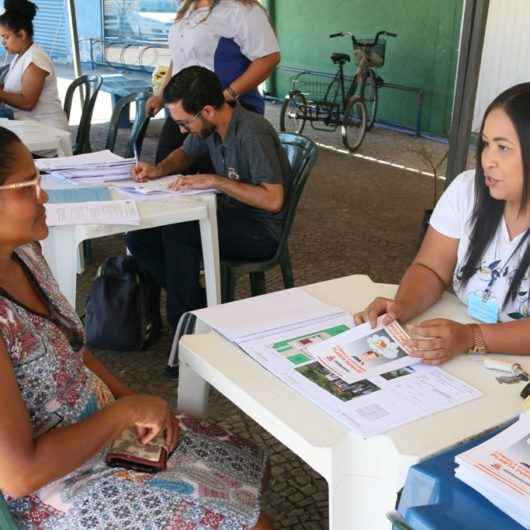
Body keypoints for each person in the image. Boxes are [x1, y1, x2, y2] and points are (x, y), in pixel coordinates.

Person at [0, 128, 273, 529]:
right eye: (28, 186)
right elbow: (19, 475)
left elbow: (74, 350)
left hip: (100, 432)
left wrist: (136, 400)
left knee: (246, 459)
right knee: (250, 524)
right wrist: (124, 412)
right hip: (58, 488)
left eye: (39, 179)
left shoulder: (23, 254)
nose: (43, 195)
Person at [355, 82, 530, 362]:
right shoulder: (467, 190)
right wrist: (401, 307)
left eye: (503, 147)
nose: (488, 160)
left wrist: (472, 337)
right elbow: (431, 268)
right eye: (486, 144)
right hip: (465, 351)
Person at [127, 65, 291, 331]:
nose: (182, 131)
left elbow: (273, 200)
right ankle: (203, 308)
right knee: (139, 236)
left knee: (180, 231)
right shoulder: (210, 127)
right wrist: (158, 169)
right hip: (231, 214)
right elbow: (185, 154)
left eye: (185, 123)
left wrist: (216, 180)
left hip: (261, 232)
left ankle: (187, 327)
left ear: (207, 111)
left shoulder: (251, 132)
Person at [147, 0, 280, 164]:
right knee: (163, 170)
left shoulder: (241, 10)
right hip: (184, 110)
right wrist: (161, 95)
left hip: (222, 112)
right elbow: (179, 57)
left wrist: (225, 97)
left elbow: (268, 59)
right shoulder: (186, 8)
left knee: (210, 179)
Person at [0, 0, 68, 130]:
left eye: (6, 37)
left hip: (45, 129)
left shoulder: (34, 60)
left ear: (22, 34)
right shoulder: (21, 56)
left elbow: (27, 103)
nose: (3, 42)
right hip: (27, 123)